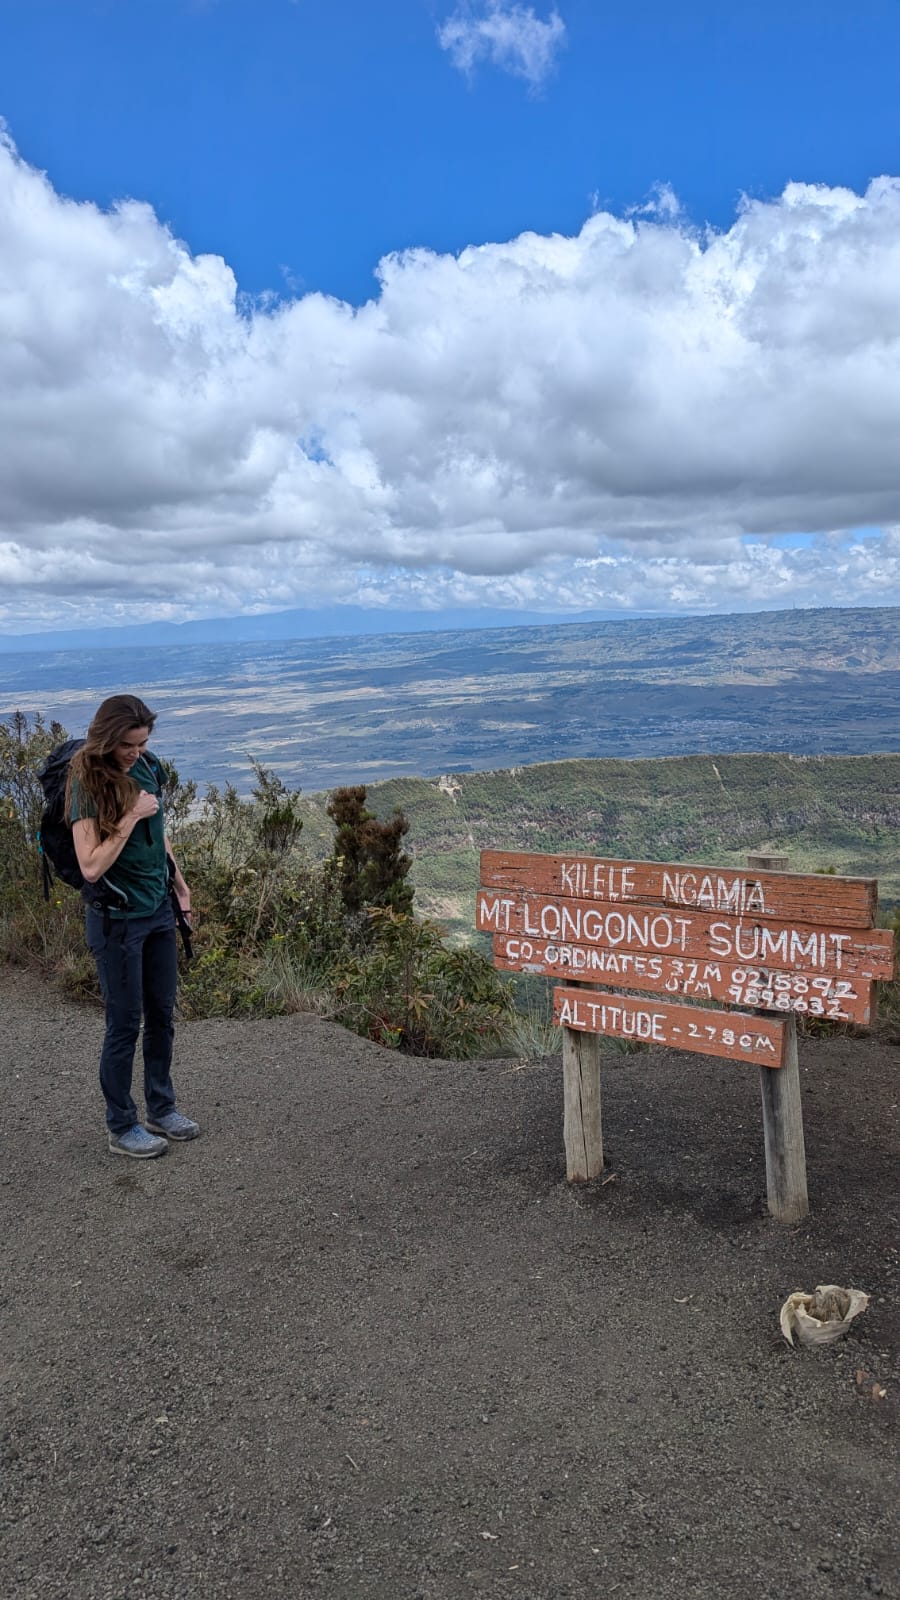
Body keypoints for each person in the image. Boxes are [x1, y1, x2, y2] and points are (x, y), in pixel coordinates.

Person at [67, 694, 199, 1159]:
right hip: (116, 922)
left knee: (162, 1015)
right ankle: (121, 1125)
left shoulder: (149, 766)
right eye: (128, 745)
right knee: (125, 1024)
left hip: (159, 909)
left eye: (142, 744)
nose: (136, 753)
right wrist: (129, 816)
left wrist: (180, 886)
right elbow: (89, 866)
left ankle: (161, 1109)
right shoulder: (85, 781)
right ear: (108, 739)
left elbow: (157, 835)